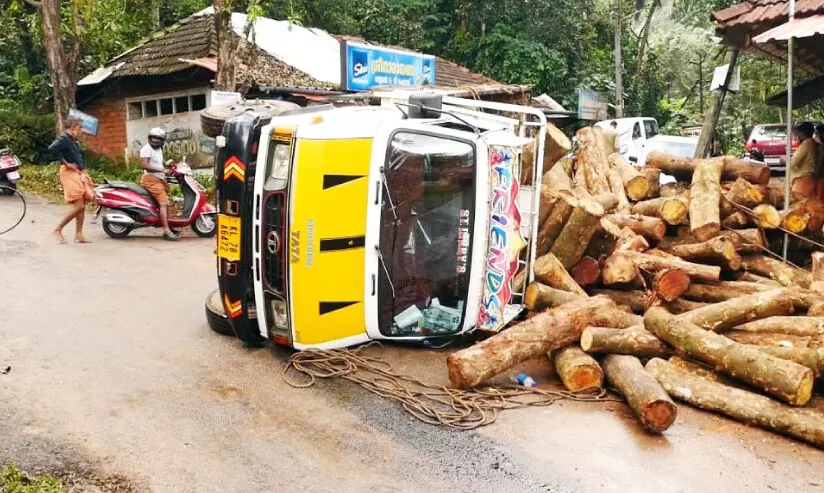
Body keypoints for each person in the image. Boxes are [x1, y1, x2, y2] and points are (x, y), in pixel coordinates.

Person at [49, 116, 93, 244]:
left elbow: (78, 156)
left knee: (82, 205)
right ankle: (58, 229)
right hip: (69, 173)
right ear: (73, 126)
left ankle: (79, 235)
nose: (81, 130)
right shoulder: (63, 138)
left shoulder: (73, 140)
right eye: (79, 127)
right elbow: (51, 148)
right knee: (79, 205)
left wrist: (83, 171)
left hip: (78, 172)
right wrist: (66, 163)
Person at [139, 127, 179, 241]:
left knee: (167, 202)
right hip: (151, 180)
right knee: (163, 203)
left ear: (162, 140)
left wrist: (168, 167)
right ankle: (166, 231)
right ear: (149, 138)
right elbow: (144, 165)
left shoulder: (158, 149)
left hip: (158, 179)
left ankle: (169, 226)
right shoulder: (146, 149)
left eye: (158, 139)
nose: (155, 140)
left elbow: (157, 163)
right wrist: (162, 171)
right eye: (153, 138)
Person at [789, 122, 818, 199]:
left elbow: (794, 162)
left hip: (802, 180)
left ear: (802, 133)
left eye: (799, 133)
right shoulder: (813, 143)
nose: (798, 135)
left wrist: (787, 161)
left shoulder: (807, 143)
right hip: (809, 179)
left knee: (799, 205)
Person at [814, 124, 824, 201]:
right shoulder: (820, 146)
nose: (815, 134)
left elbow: (820, 163)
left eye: (817, 132)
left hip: (821, 175)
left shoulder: (822, 147)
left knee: (820, 198)